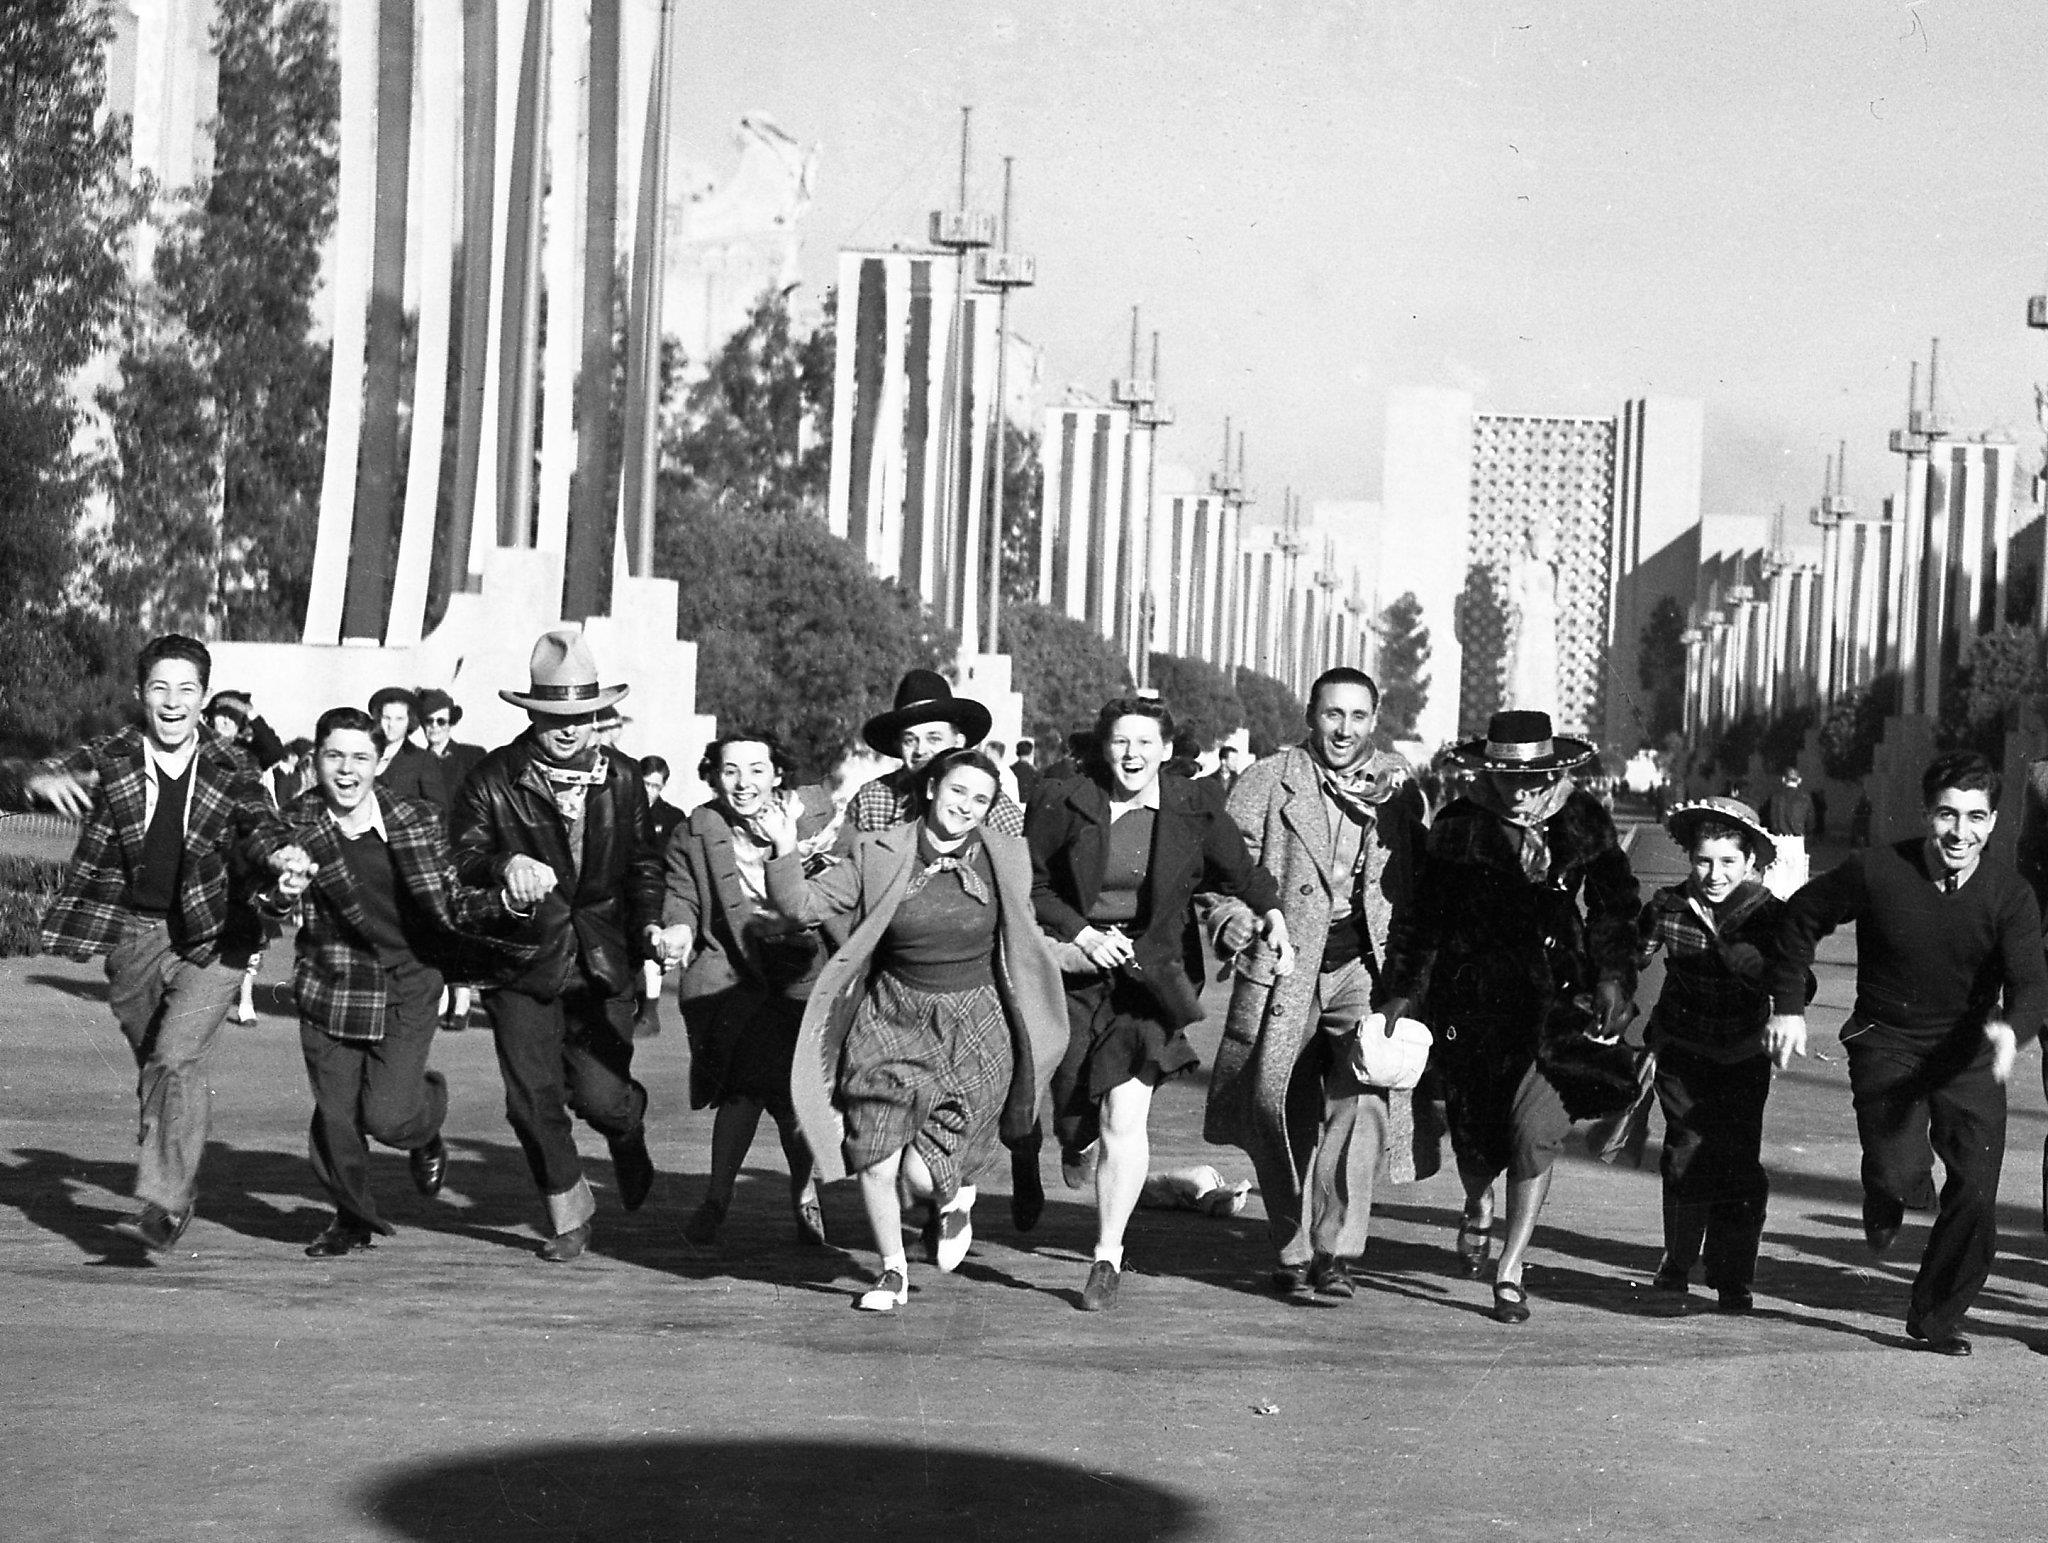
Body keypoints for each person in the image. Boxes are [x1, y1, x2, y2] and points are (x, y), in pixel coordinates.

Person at [756, 748, 1066, 1312]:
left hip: (978, 1020)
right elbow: (802, 905)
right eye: (957, 792)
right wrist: (782, 851)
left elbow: (1029, 937)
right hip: (892, 1014)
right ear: (930, 790)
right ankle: (891, 1272)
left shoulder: (1007, 858)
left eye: (981, 799)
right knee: (875, 1150)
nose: (967, 807)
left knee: (924, 1175)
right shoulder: (879, 851)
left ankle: (952, 1197)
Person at [24, 634, 302, 1251]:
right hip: (134, 936)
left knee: (175, 1057)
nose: (173, 704)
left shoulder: (234, 768)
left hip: (216, 934)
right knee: (161, 1064)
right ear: (140, 694)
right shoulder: (114, 754)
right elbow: (43, 771)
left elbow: (260, 822)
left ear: (204, 698)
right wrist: (38, 782)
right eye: (160, 689)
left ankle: (164, 1201)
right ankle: (172, 1180)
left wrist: (281, 854)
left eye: (187, 690)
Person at [1768, 751, 2047, 1356]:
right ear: (1926, 814)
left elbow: (2031, 981)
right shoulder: (1876, 870)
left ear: (1994, 822)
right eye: (1947, 815)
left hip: (1971, 1051)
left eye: (1975, 818)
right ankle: (1885, 1188)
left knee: (1975, 1190)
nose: (1959, 832)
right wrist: (1789, 1005)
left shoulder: (2009, 894)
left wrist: (2012, 1031)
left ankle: (1936, 1316)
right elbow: (1800, 918)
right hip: (1886, 1041)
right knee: (1900, 1173)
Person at [1379, 709, 1640, 1324]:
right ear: (1486, 772)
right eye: (1507, 776)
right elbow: (1424, 918)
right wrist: (1404, 991)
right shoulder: (1458, 825)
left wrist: (1611, 975)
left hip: (1556, 1004)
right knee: (1474, 1135)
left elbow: (1615, 905)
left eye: (1539, 775)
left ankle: (1511, 1269)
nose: (1524, 789)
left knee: (1535, 1132)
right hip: (1471, 1005)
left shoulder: (1581, 819)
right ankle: (1477, 1202)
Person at [1028, 697, 1289, 1309]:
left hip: (1153, 979)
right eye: (1121, 741)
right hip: (1075, 973)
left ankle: (1106, 1256)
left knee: (1126, 1114)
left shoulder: (1194, 808)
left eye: (1146, 743)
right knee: (1072, 1109)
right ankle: (1076, 1140)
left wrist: (1272, 913)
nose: (1133, 754)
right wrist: (1081, 933)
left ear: (1167, 750)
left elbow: (1240, 873)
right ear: (1104, 745)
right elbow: (1031, 881)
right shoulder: (1065, 800)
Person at [259, 707, 538, 1257]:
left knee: (387, 1116)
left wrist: (506, 900)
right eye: (333, 756)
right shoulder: (294, 824)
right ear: (314, 759)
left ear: (381, 760)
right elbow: (264, 907)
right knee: (337, 1113)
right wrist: (284, 892)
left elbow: (455, 901)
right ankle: (351, 1217)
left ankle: (426, 1122)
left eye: (360, 757)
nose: (346, 770)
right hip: (331, 979)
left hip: (410, 978)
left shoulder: (418, 819)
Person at [1204, 668, 1430, 1300]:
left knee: (1362, 1105)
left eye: (1358, 716)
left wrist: (1410, 975)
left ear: (1375, 720)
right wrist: (1240, 926)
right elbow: (1220, 872)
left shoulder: (1399, 789)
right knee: (1274, 1107)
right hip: (1284, 966)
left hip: (1364, 968)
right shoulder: (1266, 782)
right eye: (1333, 714)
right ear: (1310, 715)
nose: (1344, 729)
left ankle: (1334, 1250)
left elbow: (1416, 885)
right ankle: (1292, 1246)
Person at [449, 630, 664, 1262]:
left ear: (599, 713)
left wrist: (649, 927)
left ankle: (628, 1132)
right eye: (553, 717)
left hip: (602, 961)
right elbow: (461, 855)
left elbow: (644, 865)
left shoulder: (623, 778)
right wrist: (504, 865)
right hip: (522, 959)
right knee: (530, 1101)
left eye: (581, 716)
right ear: (531, 714)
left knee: (603, 1098)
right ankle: (569, 1215)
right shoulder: (491, 778)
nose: (568, 730)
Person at [657, 733, 837, 1248]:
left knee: (790, 1099)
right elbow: (682, 896)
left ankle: (802, 1197)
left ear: (777, 775)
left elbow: (842, 893)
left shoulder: (815, 821)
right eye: (730, 770)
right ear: (713, 775)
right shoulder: (697, 829)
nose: (743, 783)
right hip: (733, 973)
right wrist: (677, 930)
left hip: (802, 974)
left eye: (757, 770)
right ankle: (719, 1198)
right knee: (741, 1091)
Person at [1637, 798, 1791, 1314]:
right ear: (1689, 859)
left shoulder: (1769, 914)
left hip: (1744, 1056)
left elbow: (1801, 983)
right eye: (1703, 860)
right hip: (1682, 1050)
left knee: (1736, 1161)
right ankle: (1677, 1261)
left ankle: (1732, 1277)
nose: (1714, 874)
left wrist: (1763, 970)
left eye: (1728, 862)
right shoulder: (1668, 905)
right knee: (1683, 1150)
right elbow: (1628, 954)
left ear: (1749, 863)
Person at [845, 670, 1026, 840]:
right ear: (898, 745)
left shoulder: (985, 802)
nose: (920, 750)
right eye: (910, 740)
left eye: (934, 738)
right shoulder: (871, 801)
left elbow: (1019, 855)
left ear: (958, 742)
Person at [369, 687, 446, 810]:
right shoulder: (366, 753)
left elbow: (438, 811)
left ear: (410, 721)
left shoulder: (424, 760)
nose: (391, 725)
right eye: (386, 718)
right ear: (378, 718)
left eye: (399, 719)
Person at [417, 688, 487, 808]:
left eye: (441, 721)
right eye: (429, 721)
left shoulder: (472, 756)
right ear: (422, 725)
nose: (434, 726)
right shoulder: (415, 763)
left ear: (451, 723)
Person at [639, 756, 686, 849]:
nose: (648, 790)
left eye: (655, 786)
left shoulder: (673, 817)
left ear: (663, 786)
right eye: (646, 783)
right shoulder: (621, 809)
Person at [1011, 738, 1041, 806]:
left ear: (1017, 752)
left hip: (1013, 805)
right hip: (1029, 806)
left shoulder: (1010, 770)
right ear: (1031, 753)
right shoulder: (1035, 772)